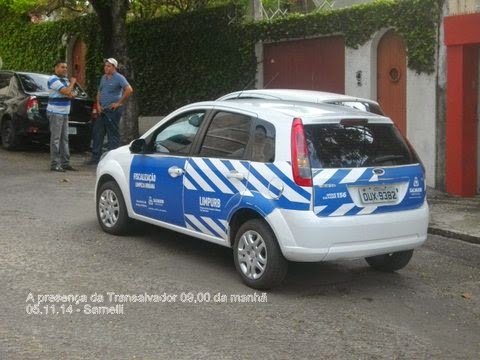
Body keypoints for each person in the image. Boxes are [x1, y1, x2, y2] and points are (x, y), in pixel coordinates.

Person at [88, 58, 133, 165]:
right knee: (98, 132)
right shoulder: (104, 78)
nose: (106, 68)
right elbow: (100, 91)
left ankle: (112, 158)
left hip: (112, 110)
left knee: (112, 134)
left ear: (114, 67)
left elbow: (129, 90)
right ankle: (95, 157)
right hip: (102, 110)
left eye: (109, 66)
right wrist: (98, 104)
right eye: (105, 66)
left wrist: (119, 103)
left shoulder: (119, 77)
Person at [47, 60, 77, 172]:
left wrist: (70, 92)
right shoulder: (53, 79)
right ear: (56, 68)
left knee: (65, 139)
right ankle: (54, 164)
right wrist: (72, 83)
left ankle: (65, 163)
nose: (65, 69)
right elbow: (67, 91)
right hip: (55, 112)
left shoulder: (64, 80)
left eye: (66, 67)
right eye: (62, 67)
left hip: (64, 112)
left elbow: (71, 94)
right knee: (55, 139)